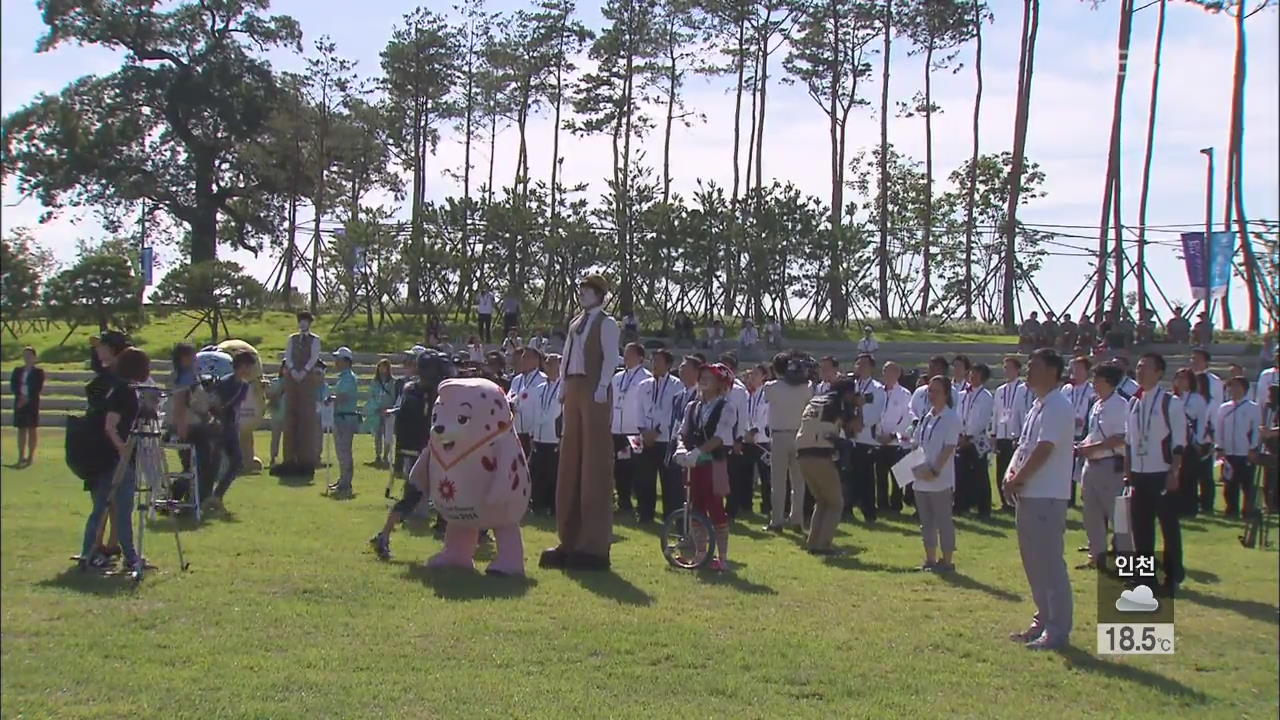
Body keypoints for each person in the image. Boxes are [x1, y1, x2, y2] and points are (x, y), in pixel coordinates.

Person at [541, 275, 621, 572]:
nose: (584, 295)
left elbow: (612, 357)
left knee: (594, 462)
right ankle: (569, 538)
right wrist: (562, 384)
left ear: (601, 295)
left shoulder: (607, 323)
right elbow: (566, 358)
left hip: (593, 387)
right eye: (582, 290)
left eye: (589, 291)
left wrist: (602, 385)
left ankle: (594, 542)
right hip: (573, 387)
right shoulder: (577, 322)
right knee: (570, 460)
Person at [1003, 348, 1075, 650]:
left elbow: (1044, 449)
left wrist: (1019, 479)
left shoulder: (1058, 405)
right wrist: (1010, 475)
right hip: (1029, 493)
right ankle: (1042, 619)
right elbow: (1024, 447)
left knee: (1049, 563)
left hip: (1046, 494)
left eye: (1034, 366)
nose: (1028, 371)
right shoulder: (1037, 406)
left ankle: (1057, 629)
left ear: (1051, 371)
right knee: (1033, 562)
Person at [369, 352, 456, 560]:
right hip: (427, 452)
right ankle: (453, 544)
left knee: (415, 496)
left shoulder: (412, 389)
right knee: (447, 495)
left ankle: (384, 534)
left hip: (417, 450)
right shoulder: (428, 393)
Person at [1123, 352, 1186, 597]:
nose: (1140, 371)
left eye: (1146, 367)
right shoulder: (1134, 402)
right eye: (1138, 367)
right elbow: (1129, 441)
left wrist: (1174, 470)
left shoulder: (1170, 402)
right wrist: (1128, 470)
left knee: (1168, 527)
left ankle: (1173, 576)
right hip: (1139, 473)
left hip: (1162, 472)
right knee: (1141, 528)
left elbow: (1179, 441)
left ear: (1159, 372)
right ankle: (1144, 577)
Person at [672, 363, 737, 571]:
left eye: (711, 376)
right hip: (693, 465)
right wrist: (682, 449)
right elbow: (683, 432)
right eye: (703, 375)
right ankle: (701, 555)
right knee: (694, 508)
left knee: (716, 507)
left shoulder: (726, 407)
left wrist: (699, 452)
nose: (704, 379)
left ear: (721, 383)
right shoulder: (692, 407)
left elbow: (719, 436)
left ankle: (722, 558)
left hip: (714, 463)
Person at [1074, 364, 1132, 570]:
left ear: (1108, 381)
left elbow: (1120, 438)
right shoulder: (1097, 404)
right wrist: (1083, 446)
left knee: (1119, 516)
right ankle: (1096, 557)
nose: (1093, 384)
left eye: (1097, 380)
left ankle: (1127, 560)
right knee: (1092, 514)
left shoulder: (1119, 405)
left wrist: (1092, 448)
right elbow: (1094, 432)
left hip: (1110, 465)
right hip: (1091, 464)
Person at [795, 378, 858, 555]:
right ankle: (824, 545)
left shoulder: (816, 400)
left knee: (822, 501)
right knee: (836, 503)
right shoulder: (838, 403)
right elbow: (855, 428)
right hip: (820, 453)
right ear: (847, 393)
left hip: (802, 453)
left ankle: (813, 543)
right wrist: (858, 407)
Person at [913, 375, 962, 572]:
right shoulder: (927, 416)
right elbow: (918, 442)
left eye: (936, 391)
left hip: (939, 478)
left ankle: (947, 560)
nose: (932, 395)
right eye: (929, 391)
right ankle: (930, 559)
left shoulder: (951, 418)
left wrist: (935, 470)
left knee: (943, 520)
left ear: (946, 394)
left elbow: (949, 447)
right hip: (920, 476)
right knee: (926, 522)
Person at [763, 353, 812, 532]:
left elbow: (767, 397)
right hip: (799, 435)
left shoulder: (771, 387)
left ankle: (776, 520)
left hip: (779, 436)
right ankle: (796, 519)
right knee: (798, 481)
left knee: (778, 481)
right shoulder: (806, 387)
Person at [635, 349, 684, 524]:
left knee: (670, 481)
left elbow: (673, 412)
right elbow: (638, 410)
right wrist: (643, 431)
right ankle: (645, 514)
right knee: (645, 478)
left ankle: (671, 516)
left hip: (665, 440)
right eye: (653, 360)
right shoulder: (644, 385)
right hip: (645, 438)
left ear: (669, 365)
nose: (654, 364)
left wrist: (657, 431)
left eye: (659, 361)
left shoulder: (677, 385)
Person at [204, 352, 256, 512]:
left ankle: (217, 495)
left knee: (236, 461)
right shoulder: (225, 383)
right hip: (219, 426)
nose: (248, 370)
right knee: (214, 463)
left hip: (231, 426)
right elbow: (215, 404)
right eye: (246, 366)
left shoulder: (244, 386)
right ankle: (206, 497)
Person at [276, 311, 322, 477]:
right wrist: (293, 370)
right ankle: (289, 459)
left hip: (306, 378)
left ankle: (306, 459)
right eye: (300, 321)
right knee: (290, 418)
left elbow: (313, 357)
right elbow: (288, 356)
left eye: (305, 321)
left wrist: (304, 372)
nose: (302, 324)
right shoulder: (292, 338)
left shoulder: (315, 339)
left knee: (306, 419)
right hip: (292, 377)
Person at [610, 342, 652, 515]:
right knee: (620, 466)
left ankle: (640, 504)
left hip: (634, 430)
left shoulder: (646, 378)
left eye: (630, 353)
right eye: (625, 352)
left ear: (640, 357)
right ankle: (623, 501)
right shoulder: (618, 377)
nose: (626, 356)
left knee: (636, 466)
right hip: (617, 429)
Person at [842, 353, 883, 523]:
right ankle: (847, 508)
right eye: (858, 364)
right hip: (849, 437)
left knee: (866, 477)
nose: (860, 367)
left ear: (872, 367)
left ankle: (869, 512)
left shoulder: (877, 388)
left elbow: (876, 412)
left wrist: (861, 423)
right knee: (848, 476)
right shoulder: (851, 385)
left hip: (866, 437)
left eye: (864, 364)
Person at [1213, 376, 1262, 518]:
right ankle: (1231, 509)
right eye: (1231, 386)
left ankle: (1248, 511)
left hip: (1245, 452)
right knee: (1229, 484)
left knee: (1247, 484)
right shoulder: (1224, 408)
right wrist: (1220, 446)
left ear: (1245, 389)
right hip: (1229, 452)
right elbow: (1219, 428)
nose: (1233, 389)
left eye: (1237, 386)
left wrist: (1253, 448)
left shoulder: (1253, 407)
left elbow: (1256, 430)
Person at [664, 356, 704, 519]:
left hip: (693, 448)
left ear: (696, 371)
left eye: (685, 366)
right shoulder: (678, 396)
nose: (680, 369)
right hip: (676, 443)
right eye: (680, 366)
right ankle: (678, 522)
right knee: (673, 486)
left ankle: (691, 523)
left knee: (689, 490)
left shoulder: (701, 395)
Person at [993, 356, 1033, 513]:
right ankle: (1004, 502)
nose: (1007, 371)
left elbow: (1024, 411)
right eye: (1005, 368)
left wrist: (1021, 435)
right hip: (1002, 433)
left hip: (1016, 435)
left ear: (1017, 370)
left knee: (1014, 469)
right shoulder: (1000, 390)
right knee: (1000, 469)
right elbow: (996, 413)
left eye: (1010, 368)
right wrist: (994, 434)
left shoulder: (1023, 389)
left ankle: (1015, 501)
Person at [955, 363, 994, 517]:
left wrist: (970, 435)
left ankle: (983, 508)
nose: (972, 377)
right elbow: (958, 414)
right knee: (961, 474)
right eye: (971, 373)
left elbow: (982, 419)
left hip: (977, 440)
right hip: (962, 438)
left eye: (976, 374)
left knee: (980, 475)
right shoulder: (962, 394)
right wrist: (959, 434)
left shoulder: (985, 396)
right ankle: (961, 505)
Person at [528, 354, 564, 516]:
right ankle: (538, 505)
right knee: (537, 473)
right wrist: (532, 433)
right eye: (547, 364)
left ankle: (554, 507)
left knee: (553, 475)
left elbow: (556, 412)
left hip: (554, 437)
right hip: (539, 437)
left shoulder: (564, 387)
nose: (548, 367)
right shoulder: (540, 388)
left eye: (552, 364)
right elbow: (533, 410)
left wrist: (541, 420)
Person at [876, 361, 913, 513]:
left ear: (898, 374)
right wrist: (878, 433)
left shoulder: (904, 394)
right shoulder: (878, 391)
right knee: (880, 475)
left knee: (898, 476)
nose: (887, 374)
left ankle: (896, 504)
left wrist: (892, 434)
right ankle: (882, 504)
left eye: (891, 371)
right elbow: (875, 413)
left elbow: (907, 417)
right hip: (879, 439)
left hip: (896, 441)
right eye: (885, 371)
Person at [324, 348, 361, 498]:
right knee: (340, 451)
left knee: (345, 451)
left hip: (346, 418)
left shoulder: (349, 379)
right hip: (340, 417)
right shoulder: (343, 378)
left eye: (338, 359)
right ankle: (342, 479)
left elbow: (344, 397)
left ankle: (346, 482)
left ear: (346, 361)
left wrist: (332, 399)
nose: (336, 362)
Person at [1062, 356, 1097, 507]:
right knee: (1067, 467)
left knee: (1082, 467)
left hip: (1083, 433)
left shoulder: (1092, 390)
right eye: (1073, 368)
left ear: (1087, 371)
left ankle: (1087, 496)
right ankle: (1068, 498)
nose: (1075, 372)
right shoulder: (1066, 389)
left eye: (1079, 369)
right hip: (1067, 432)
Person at [506, 347, 547, 459]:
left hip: (532, 431)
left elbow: (529, 399)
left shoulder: (542, 380)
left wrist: (516, 402)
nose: (522, 360)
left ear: (536, 360)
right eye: (522, 357)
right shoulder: (517, 379)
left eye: (526, 357)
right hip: (516, 429)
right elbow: (510, 396)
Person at [742, 363, 772, 516]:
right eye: (751, 374)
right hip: (747, 440)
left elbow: (766, 416)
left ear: (764, 377)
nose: (752, 377)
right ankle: (746, 504)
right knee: (745, 475)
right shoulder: (747, 395)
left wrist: (755, 430)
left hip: (762, 441)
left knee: (766, 476)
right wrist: (746, 431)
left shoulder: (767, 394)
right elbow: (744, 415)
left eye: (756, 374)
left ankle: (767, 506)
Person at [10, 346, 45, 467]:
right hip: (19, 402)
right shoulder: (17, 370)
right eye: (25, 355)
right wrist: (20, 397)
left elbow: (37, 387)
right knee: (21, 429)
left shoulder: (38, 372)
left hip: (32, 403)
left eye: (29, 355)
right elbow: (14, 385)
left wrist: (27, 398)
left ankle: (30, 456)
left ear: (34, 357)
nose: (27, 358)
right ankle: (21, 455)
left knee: (31, 429)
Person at [363, 359, 396, 469]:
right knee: (377, 434)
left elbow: (393, 396)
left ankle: (386, 456)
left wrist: (388, 408)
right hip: (377, 411)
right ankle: (377, 455)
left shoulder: (392, 382)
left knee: (387, 435)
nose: (382, 369)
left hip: (387, 411)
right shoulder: (375, 382)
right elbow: (371, 395)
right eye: (380, 367)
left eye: (384, 367)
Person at [911, 356, 957, 421]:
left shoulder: (951, 391)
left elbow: (953, 411)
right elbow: (911, 409)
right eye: (930, 368)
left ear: (943, 371)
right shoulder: (920, 390)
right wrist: (915, 419)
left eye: (935, 369)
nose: (930, 372)